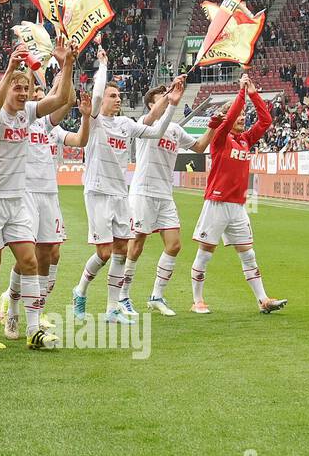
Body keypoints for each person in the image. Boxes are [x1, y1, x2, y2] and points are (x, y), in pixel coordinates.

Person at [0, 41, 74, 350]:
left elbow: (61, 98)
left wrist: (67, 64)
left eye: (26, 88)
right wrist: (10, 71)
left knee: (29, 261)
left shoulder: (28, 113)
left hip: (17, 201)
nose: (23, 93)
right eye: (18, 88)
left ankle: (33, 331)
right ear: (7, 87)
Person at [72, 46, 177, 324]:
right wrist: (103, 65)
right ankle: (80, 291)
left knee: (120, 250)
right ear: (102, 100)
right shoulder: (94, 121)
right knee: (104, 253)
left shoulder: (126, 124)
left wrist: (173, 105)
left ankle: (111, 309)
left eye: (119, 95)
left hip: (120, 195)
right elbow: (95, 94)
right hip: (97, 192)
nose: (118, 99)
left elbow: (156, 132)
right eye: (112, 95)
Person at [188, 74, 287, 315]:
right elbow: (230, 116)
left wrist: (253, 93)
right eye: (239, 115)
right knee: (205, 253)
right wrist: (240, 94)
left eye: (244, 115)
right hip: (217, 202)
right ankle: (197, 300)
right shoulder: (220, 139)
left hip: (237, 206)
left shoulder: (244, 140)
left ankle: (262, 299)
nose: (242, 118)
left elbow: (265, 121)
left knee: (249, 254)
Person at [124, 80, 214, 317]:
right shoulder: (144, 124)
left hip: (165, 194)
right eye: (161, 96)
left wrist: (214, 125)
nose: (167, 97)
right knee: (136, 246)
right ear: (151, 104)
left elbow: (200, 146)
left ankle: (156, 295)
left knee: (174, 245)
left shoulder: (176, 130)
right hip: (143, 192)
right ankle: (123, 296)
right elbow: (154, 116)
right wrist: (170, 98)